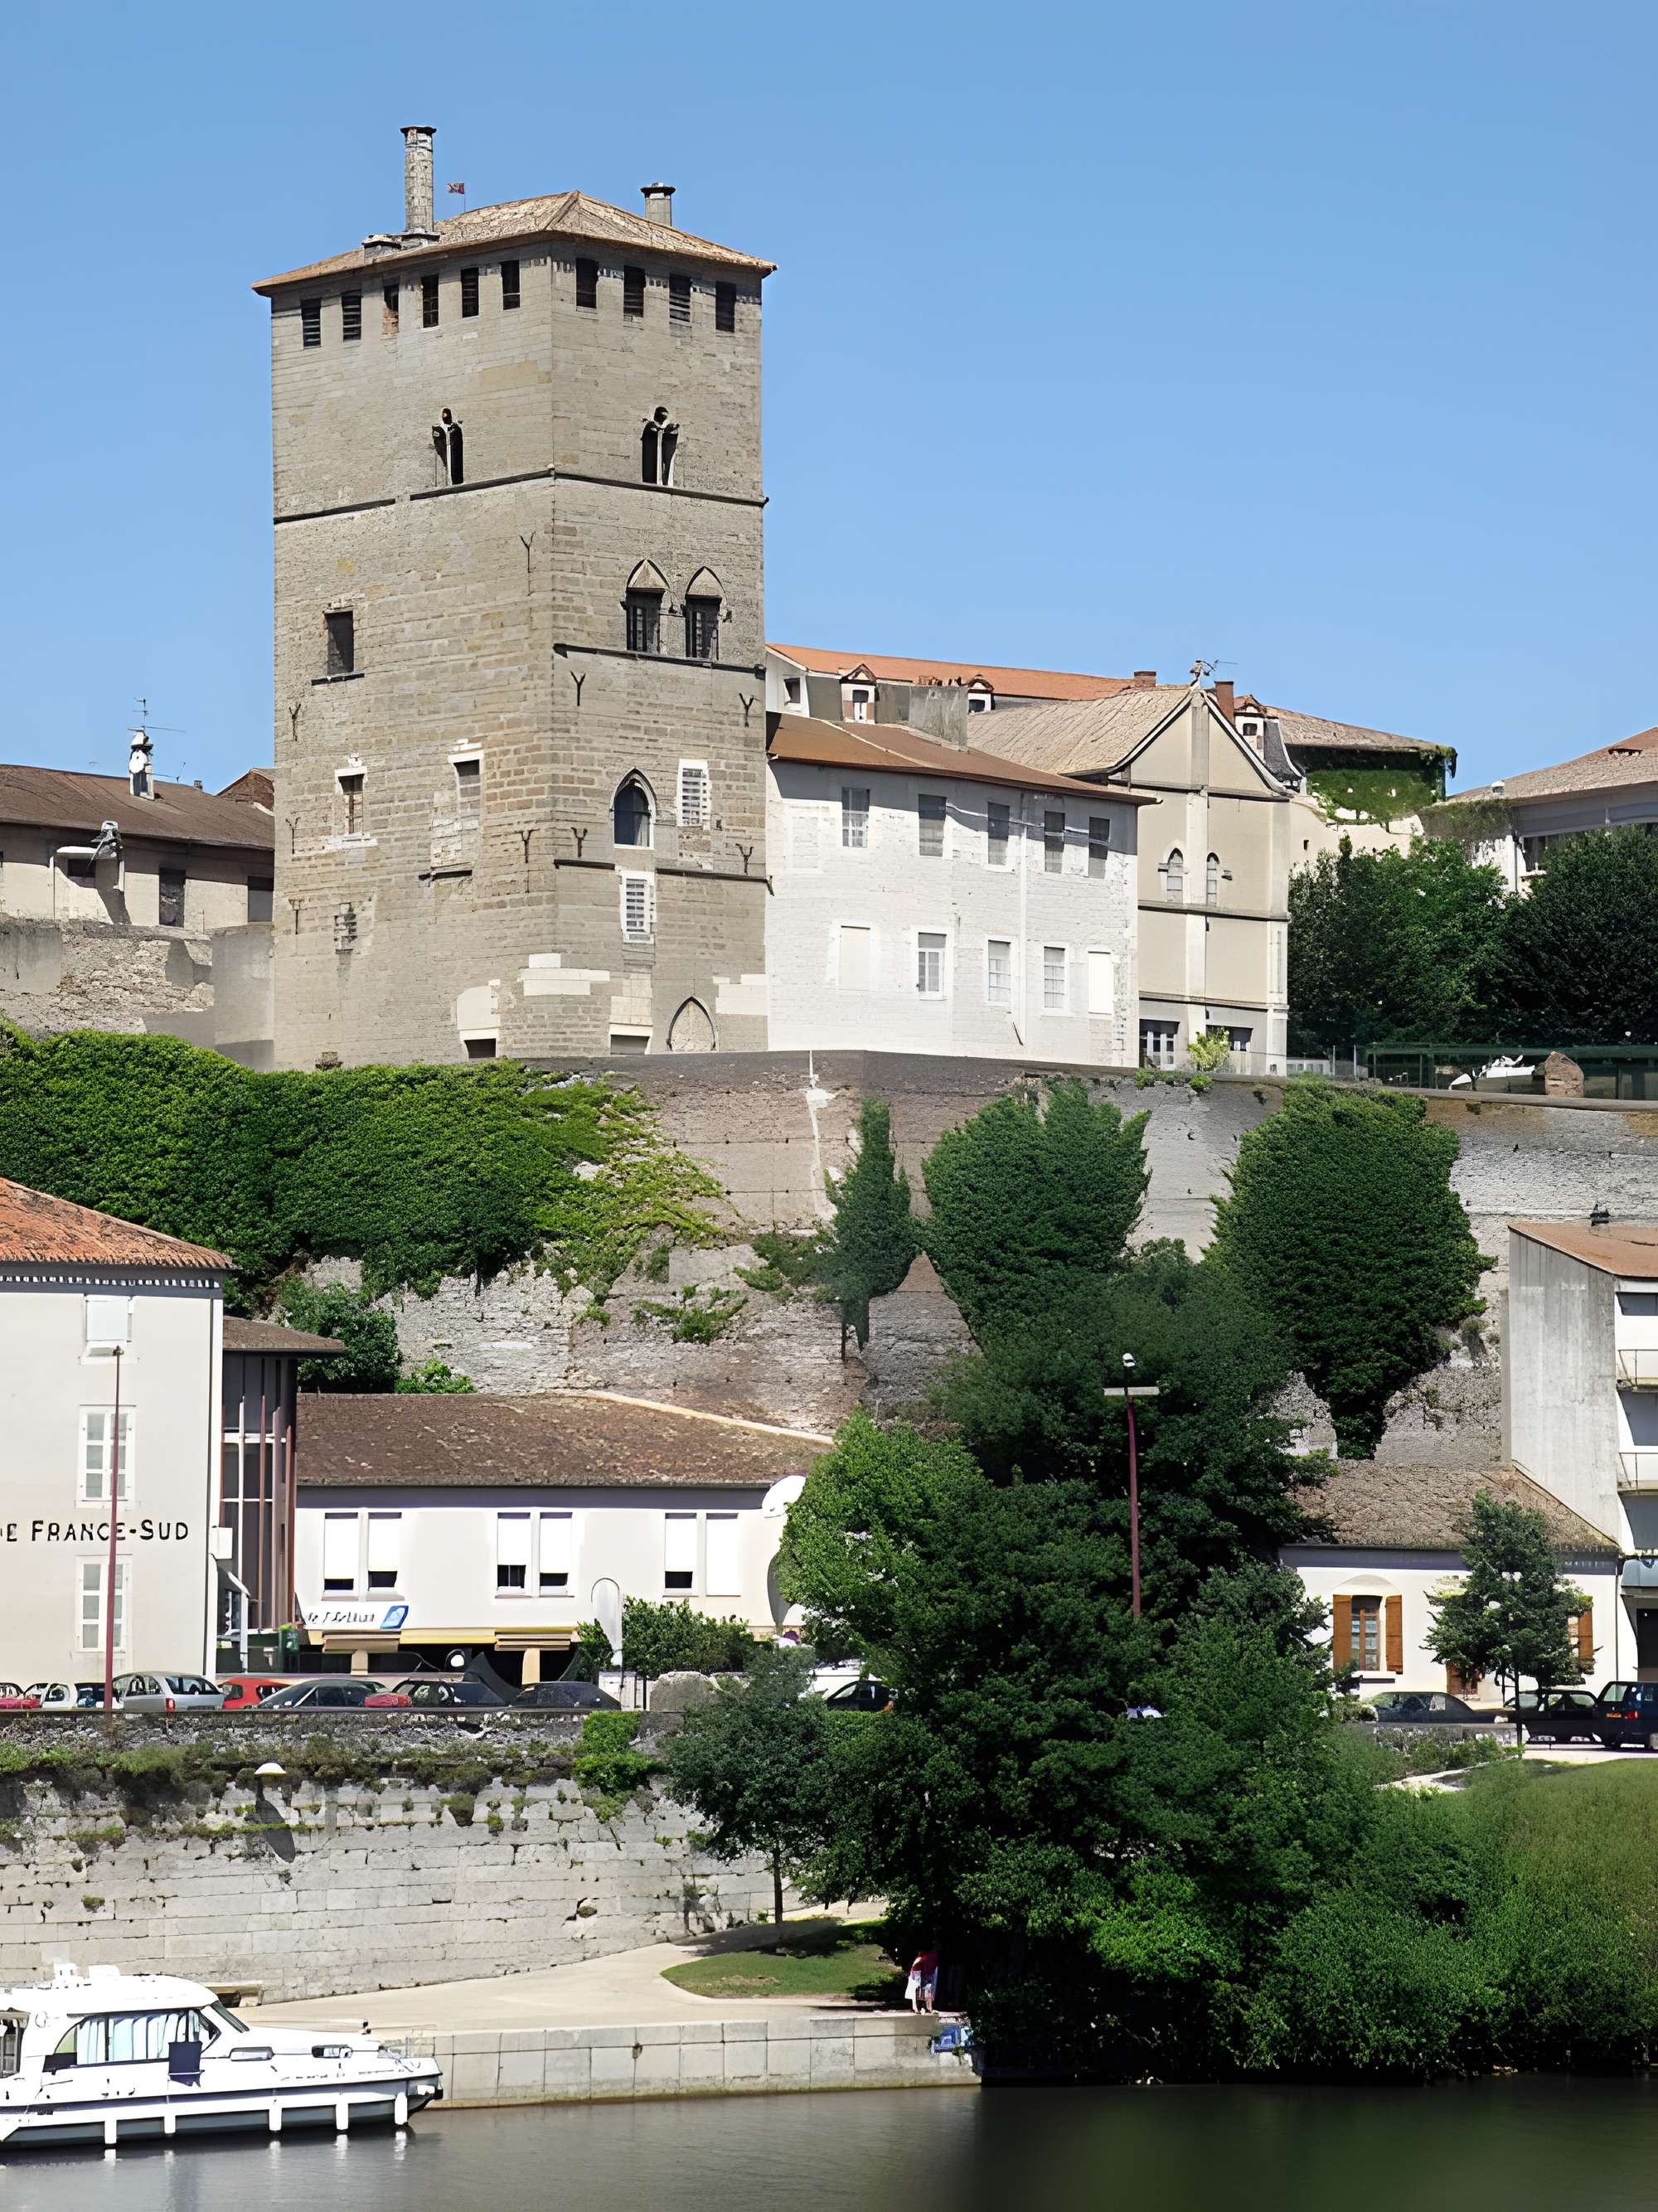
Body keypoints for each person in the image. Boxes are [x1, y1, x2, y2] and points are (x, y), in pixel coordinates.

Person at [905, 1945, 939, 2013]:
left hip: (917, 1974)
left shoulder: (923, 1958)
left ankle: (921, 2008)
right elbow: (927, 1969)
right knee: (921, 1990)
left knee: (921, 1990)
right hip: (917, 1974)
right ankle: (921, 2008)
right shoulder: (927, 1957)